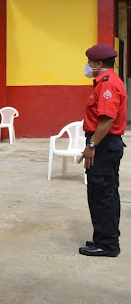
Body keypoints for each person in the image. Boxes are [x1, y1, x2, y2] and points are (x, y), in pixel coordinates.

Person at [77, 44, 127, 257]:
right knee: (108, 192)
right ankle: (106, 237)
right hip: (107, 143)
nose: (87, 66)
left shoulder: (106, 85)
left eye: (90, 62)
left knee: (101, 193)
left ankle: (106, 245)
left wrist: (91, 146)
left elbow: (107, 120)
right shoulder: (109, 81)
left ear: (98, 64)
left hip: (103, 144)